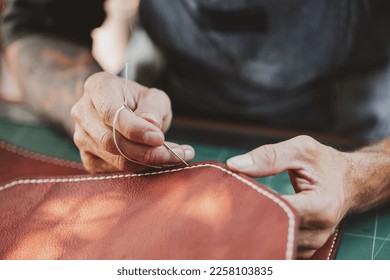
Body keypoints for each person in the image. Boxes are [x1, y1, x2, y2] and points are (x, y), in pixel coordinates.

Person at [1, 0, 390, 259]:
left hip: (354, 124)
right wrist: (89, 108)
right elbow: (37, 25)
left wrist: (363, 175)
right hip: (176, 101)